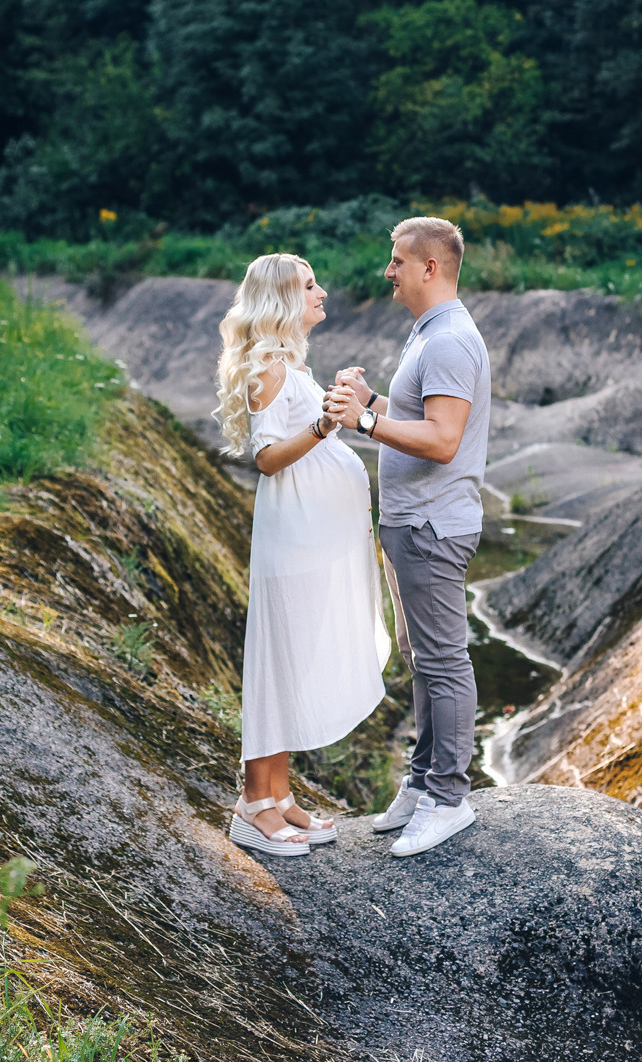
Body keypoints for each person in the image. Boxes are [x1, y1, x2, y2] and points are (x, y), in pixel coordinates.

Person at [324, 216, 490, 858]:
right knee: (421, 657)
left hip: (431, 526)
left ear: (430, 267)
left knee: (443, 660)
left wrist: (364, 422)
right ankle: (423, 781)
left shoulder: (449, 340)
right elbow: (420, 417)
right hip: (411, 523)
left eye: (396, 260)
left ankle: (449, 798)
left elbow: (444, 440)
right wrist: (374, 404)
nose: (387, 271)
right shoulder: (429, 333)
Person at [213, 253, 389, 858]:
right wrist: (323, 426)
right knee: (278, 664)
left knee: (294, 664)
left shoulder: (291, 365)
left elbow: (308, 428)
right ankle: (253, 805)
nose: (322, 293)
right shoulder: (268, 367)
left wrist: (335, 401)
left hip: (313, 540)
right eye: (310, 286)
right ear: (283, 300)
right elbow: (266, 457)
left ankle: (280, 794)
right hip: (293, 539)